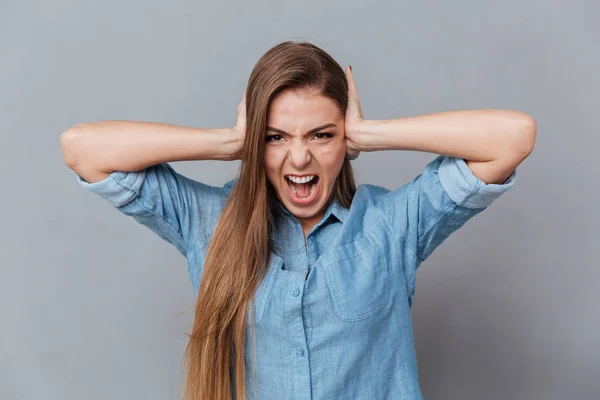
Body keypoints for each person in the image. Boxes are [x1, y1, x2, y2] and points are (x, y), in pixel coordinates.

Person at [60, 41, 536, 400]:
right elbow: (82, 148)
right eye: (275, 137)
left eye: (321, 135)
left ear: (343, 141)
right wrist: (229, 142)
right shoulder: (207, 222)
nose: (300, 157)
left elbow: (513, 137)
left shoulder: (391, 226)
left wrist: (370, 132)